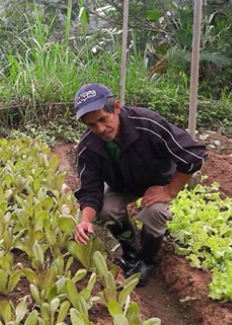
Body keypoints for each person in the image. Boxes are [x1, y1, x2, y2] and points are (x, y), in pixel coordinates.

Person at [72, 83, 207, 286]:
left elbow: (192, 156)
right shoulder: (88, 147)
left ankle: (147, 260)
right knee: (106, 209)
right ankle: (131, 251)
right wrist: (85, 221)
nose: (100, 129)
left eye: (103, 119)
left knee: (154, 213)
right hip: (122, 186)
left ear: (116, 107)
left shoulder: (148, 123)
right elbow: (91, 190)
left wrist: (169, 191)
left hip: (157, 183)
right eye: (92, 125)